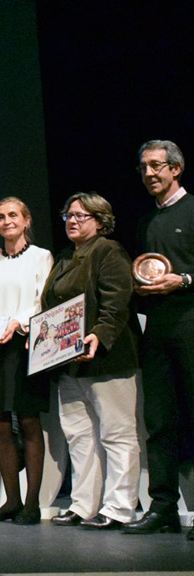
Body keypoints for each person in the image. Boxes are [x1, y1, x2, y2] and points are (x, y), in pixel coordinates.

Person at [43, 193, 140, 530]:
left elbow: (117, 302)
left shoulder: (107, 251)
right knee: (79, 436)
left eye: (81, 216)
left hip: (105, 359)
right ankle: (84, 505)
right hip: (69, 363)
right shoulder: (65, 258)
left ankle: (119, 507)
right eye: (68, 215)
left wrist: (99, 333)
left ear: (100, 221)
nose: (72, 220)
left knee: (117, 434)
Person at [0, 197, 53, 525]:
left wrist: (17, 323)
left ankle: (32, 504)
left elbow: (41, 301)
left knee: (29, 421)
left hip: (24, 347)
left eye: (13, 215)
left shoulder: (40, 257)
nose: (7, 221)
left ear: (27, 219)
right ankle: (11, 500)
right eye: (1, 217)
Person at [126, 140, 194, 538]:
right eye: (144, 167)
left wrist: (184, 279)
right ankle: (163, 506)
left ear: (176, 169)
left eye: (156, 166)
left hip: (189, 322)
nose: (149, 174)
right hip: (158, 329)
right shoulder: (147, 222)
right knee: (160, 421)